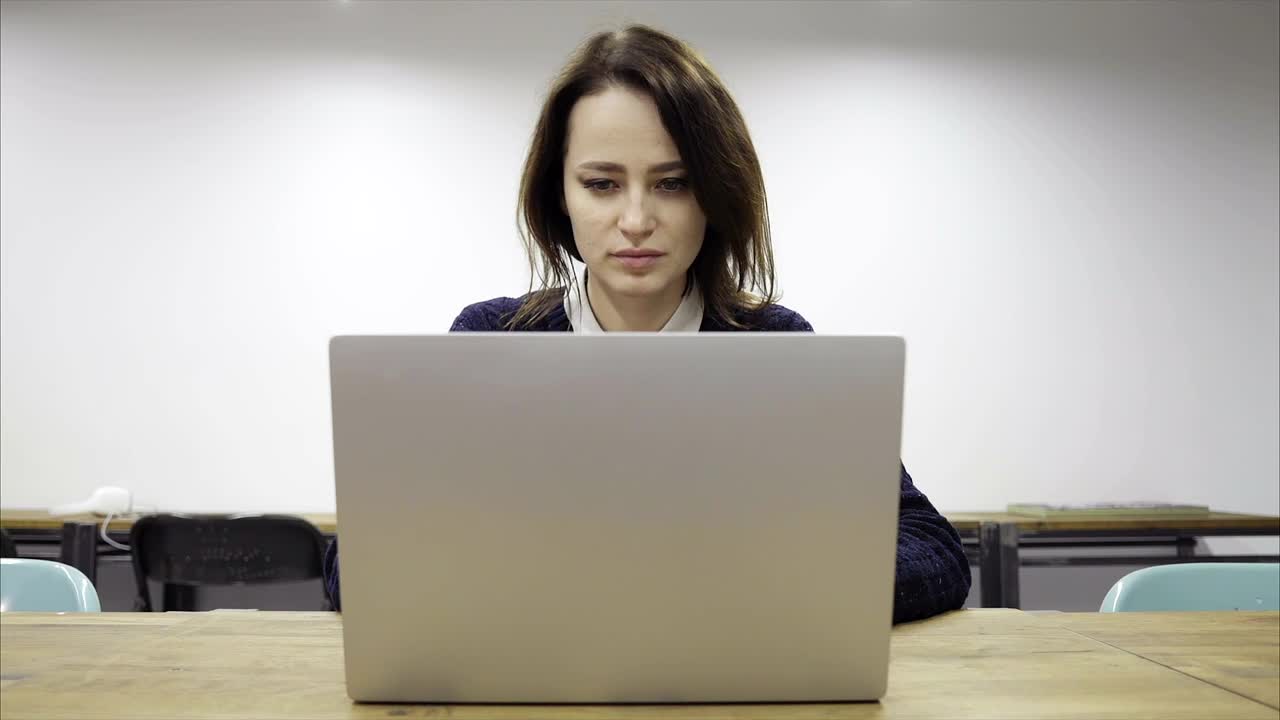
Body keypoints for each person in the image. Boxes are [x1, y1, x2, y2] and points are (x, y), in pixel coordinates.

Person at [324, 24, 971, 624]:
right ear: (561, 195)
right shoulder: (492, 341)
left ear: (714, 194)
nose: (635, 220)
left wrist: (755, 588)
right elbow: (353, 566)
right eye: (602, 184)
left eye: (672, 183)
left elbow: (932, 551)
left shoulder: (774, 346)